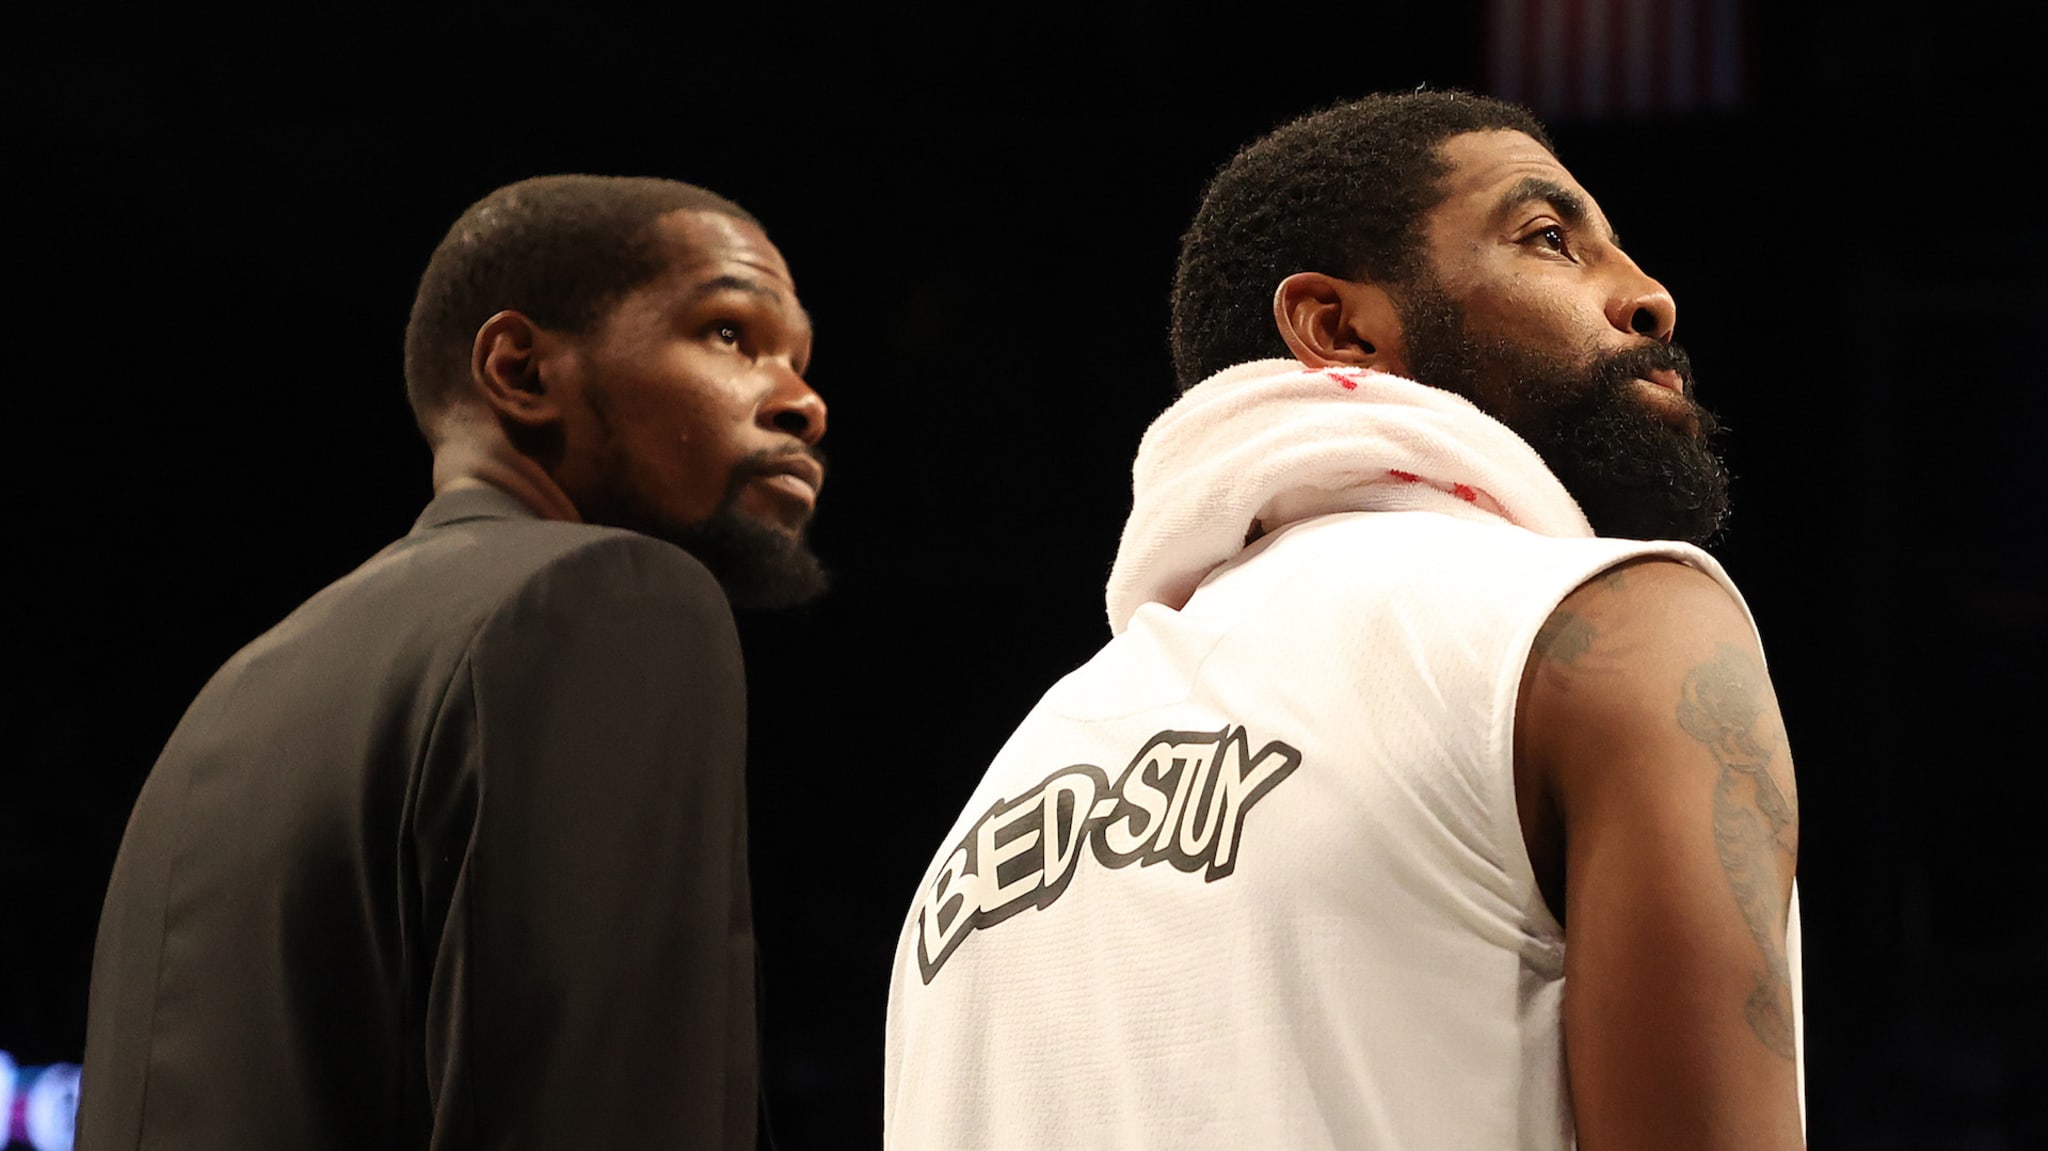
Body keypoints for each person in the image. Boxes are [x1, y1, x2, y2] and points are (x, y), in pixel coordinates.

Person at [885, 90, 1805, 1150]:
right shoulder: (1609, 628)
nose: (1648, 298)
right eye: (1550, 240)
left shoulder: (997, 794)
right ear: (1337, 329)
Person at [78, 174, 826, 1149]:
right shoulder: (614, 601)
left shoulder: (233, 696)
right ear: (519, 369)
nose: (801, 402)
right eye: (730, 333)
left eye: (801, 360)